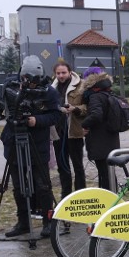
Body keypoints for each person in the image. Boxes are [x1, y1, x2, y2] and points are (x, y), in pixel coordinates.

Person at [0, 56, 62, 238]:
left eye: (35, 83)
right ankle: (23, 223)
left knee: (43, 185)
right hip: (13, 139)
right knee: (18, 185)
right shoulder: (9, 85)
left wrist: (38, 120)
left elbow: (56, 115)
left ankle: (48, 222)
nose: (32, 87)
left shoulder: (49, 92)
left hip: (37, 143)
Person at [80, 67, 120, 190]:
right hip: (111, 138)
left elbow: (96, 115)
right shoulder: (108, 92)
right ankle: (113, 195)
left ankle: (110, 200)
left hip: (99, 140)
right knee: (109, 173)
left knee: (104, 173)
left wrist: (84, 124)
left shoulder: (95, 96)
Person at [51, 61, 86, 198]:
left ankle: (80, 195)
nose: (61, 76)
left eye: (63, 72)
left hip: (74, 131)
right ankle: (66, 195)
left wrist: (75, 109)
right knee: (62, 166)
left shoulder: (81, 86)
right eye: (58, 73)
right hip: (57, 132)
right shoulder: (51, 88)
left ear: (70, 72)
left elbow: (88, 107)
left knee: (78, 165)